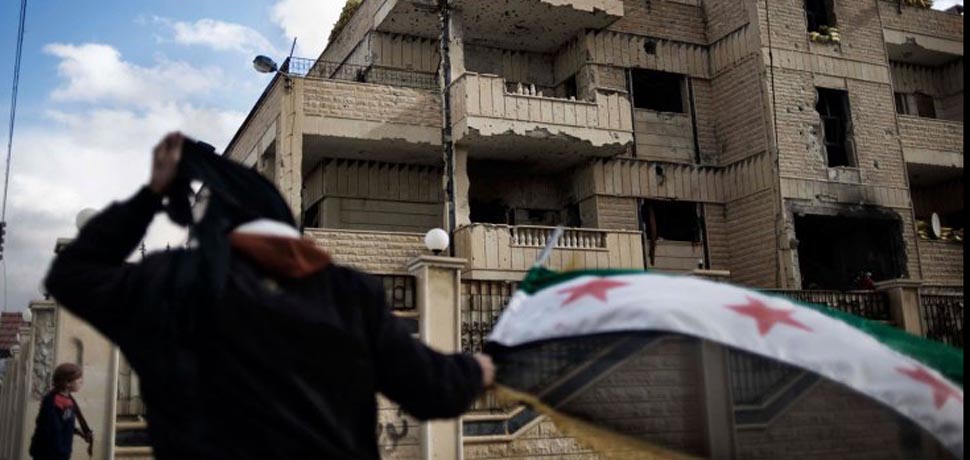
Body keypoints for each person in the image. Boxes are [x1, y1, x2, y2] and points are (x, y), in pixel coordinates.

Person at [44, 132, 494, 459]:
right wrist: (480, 365)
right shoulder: (349, 293)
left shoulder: (170, 282)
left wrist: (151, 195)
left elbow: (73, 274)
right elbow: (433, 390)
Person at [28, 363, 93, 460]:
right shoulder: (54, 402)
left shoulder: (67, 399)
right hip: (50, 454)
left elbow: (63, 423)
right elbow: (52, 431)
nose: (81, 382)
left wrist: (77, 431)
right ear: (67, 383)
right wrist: (62, 454)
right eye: (78, 380)